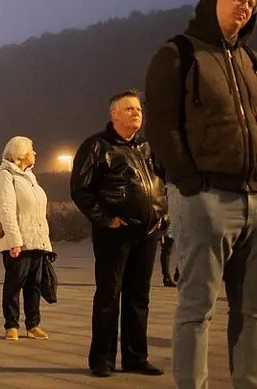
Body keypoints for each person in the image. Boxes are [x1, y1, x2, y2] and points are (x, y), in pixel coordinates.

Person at [145, 0, 257, 389]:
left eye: (250, 2)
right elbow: (163, 126)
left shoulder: (252, 61)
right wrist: (189, 185)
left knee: (252, 310)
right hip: (207, 198)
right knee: (196, 309)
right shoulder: (178, 54)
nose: (244, 6)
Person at [70, 91, 167, 378]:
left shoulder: (149, 148)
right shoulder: (97, 147)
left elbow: (162, 184)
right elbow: (80, 190)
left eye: (138, 109)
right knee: (109, 296)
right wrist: (106, 219)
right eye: (129, 109)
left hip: (147, 231)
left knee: (139, 297)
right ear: (114, 115)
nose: (136, 113)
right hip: (115, 232)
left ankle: (136, 357)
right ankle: (102, 359)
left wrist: (162, 217)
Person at [0, 136, 53, 341]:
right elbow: (6, 210)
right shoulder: (6, 175)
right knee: (14, 283)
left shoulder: (30, 177)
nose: (35, 153)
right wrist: (14, 240)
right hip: (18, 241)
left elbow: (37, 212)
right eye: (31, 150)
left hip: (36, 239)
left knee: (34, 284)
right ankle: (11, 324)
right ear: (21, 154)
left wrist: (45, 240)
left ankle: (33, 324)